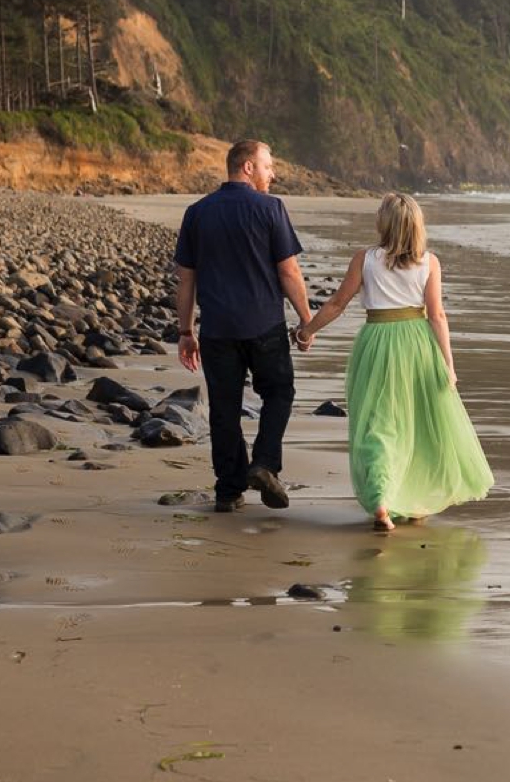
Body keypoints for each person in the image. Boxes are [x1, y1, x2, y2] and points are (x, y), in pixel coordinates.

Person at [300, 192, 493, 530]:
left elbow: (337, 304)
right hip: (418, 345)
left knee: (378, 422)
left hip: (377, 341)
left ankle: (381, 501)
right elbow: (437, 315)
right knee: (415, 425)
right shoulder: (429, 262)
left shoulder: (365, 259)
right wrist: (448, 363)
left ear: (385, 223)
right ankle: (410, 496)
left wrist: (307, 331)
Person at [174, 139, 317, 513]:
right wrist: (306, 320)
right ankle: (264, 464)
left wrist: (185, 332)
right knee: (280, 392)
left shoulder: (197, 212)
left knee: (224, 408)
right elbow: (288, 271)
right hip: (264, 324)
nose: (273, 173)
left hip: (218, 328)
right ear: (248, 167)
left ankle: (228, 490)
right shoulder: (270, 209)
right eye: (268, 165)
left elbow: (185, 279)